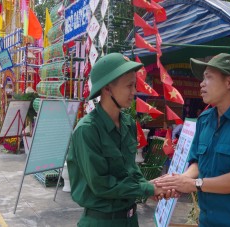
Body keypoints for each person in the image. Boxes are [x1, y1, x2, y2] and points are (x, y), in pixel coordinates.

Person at [155, 53, 230, 227]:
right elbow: (197, 163)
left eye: (208, 77)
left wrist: (193, 184)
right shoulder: (205, 119)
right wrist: (179, 181)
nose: (202, 84)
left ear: (229, 82)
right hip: (207, 221)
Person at [67, 53, 167, 227]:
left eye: (134, 85)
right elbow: (102, 184)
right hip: (101, 222)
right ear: (107, 88)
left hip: (129, 219)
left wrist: (148, 186)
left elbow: (130, 168)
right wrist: (147, 188)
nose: (134, 92)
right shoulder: (87, 130)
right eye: (129, 86)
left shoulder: (127, 122)